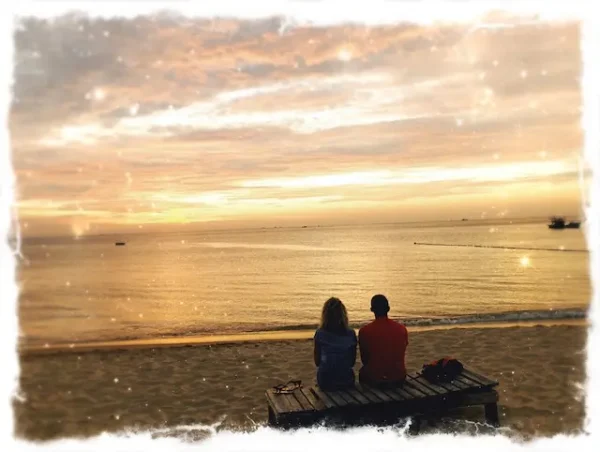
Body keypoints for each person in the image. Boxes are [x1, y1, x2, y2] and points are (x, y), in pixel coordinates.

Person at [358, 294, 408, 386]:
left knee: (362, 372)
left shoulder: (364, 331)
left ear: (372, 310)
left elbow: (364, 359)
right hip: (398, 377)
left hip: (376, 379)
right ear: (388, 309)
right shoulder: (401, 329)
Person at [313, 297, 357, 390]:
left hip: (326, 382)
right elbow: (352, 362)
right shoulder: (351, 334)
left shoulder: (320, 334)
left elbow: (317, 362)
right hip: (346, 380)